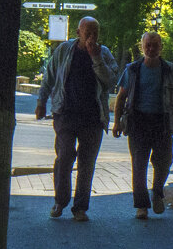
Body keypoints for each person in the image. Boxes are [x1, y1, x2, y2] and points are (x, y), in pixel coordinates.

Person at [36, 16, 118, 221]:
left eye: (95, 33)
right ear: (78, 32)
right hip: (66, 114)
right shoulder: (64, 50)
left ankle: (80, 207)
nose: (91, 37)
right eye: (87, 32)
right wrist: (41, 102)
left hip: (93, 117)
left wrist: (96, 58)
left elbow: (110, 81)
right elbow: (50, 77)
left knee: (86, 164)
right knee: (64, 157)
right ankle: (60, 201)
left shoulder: (104, 53)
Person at [112, 31, 173, 219]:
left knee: (164, 162)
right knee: (139, 165)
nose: (151, 49)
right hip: (138, 122)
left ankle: (157, 192)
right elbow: (121, 97)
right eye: (147, 45)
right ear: (142, 47)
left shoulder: (171, 70)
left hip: (162, 122)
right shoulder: (132, 69)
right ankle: (141, 205)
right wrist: (116, 122)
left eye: (155, 45)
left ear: (161, 47)